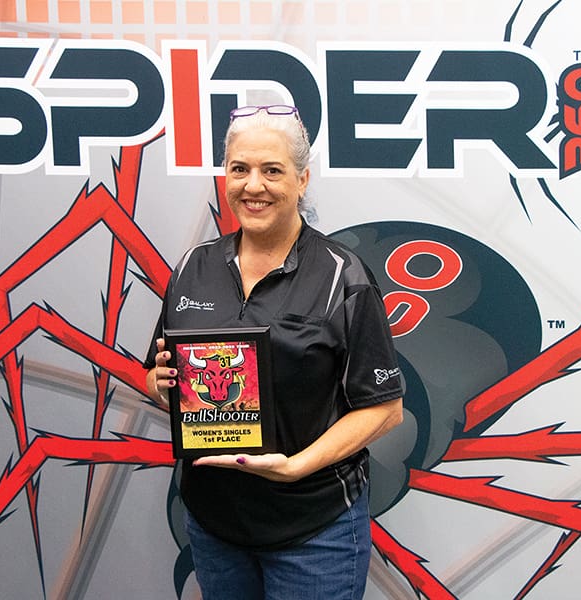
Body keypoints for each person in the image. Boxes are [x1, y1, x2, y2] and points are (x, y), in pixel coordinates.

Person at [144, 104, 404, 600]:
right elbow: (156, 376)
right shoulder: (193, 267)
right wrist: (159, 385)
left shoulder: (342, 275)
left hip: (313, 528)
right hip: (215, 525)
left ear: (302, 180)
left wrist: (296, 466)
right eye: (239, 169)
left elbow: (385, 409)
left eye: (272, 170)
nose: (253, 186)